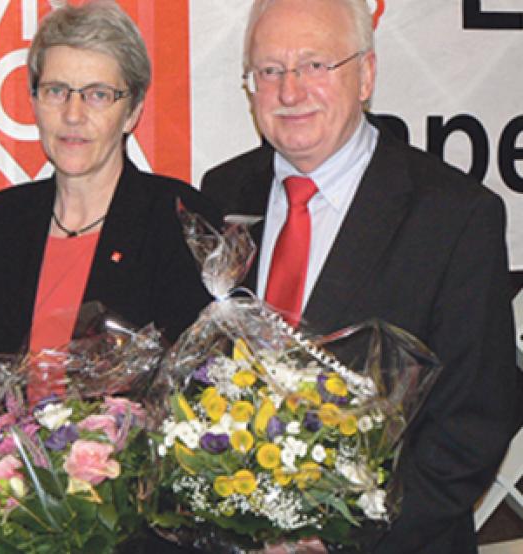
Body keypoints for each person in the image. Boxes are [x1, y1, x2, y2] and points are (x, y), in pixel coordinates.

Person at [201, 0, 520, 552]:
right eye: (270, 70)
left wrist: (337, 534)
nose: (290, 91)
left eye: (315, 65)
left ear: (366, 75)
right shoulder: (222, 193)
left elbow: (474, 425)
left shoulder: (455, 216)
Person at [0, 1, 219, 401]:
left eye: (98, 95)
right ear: (34, 102)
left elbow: (197, 388)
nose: (73, 114)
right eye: (56, 91)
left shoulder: (180, 220)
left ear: (132, 112)